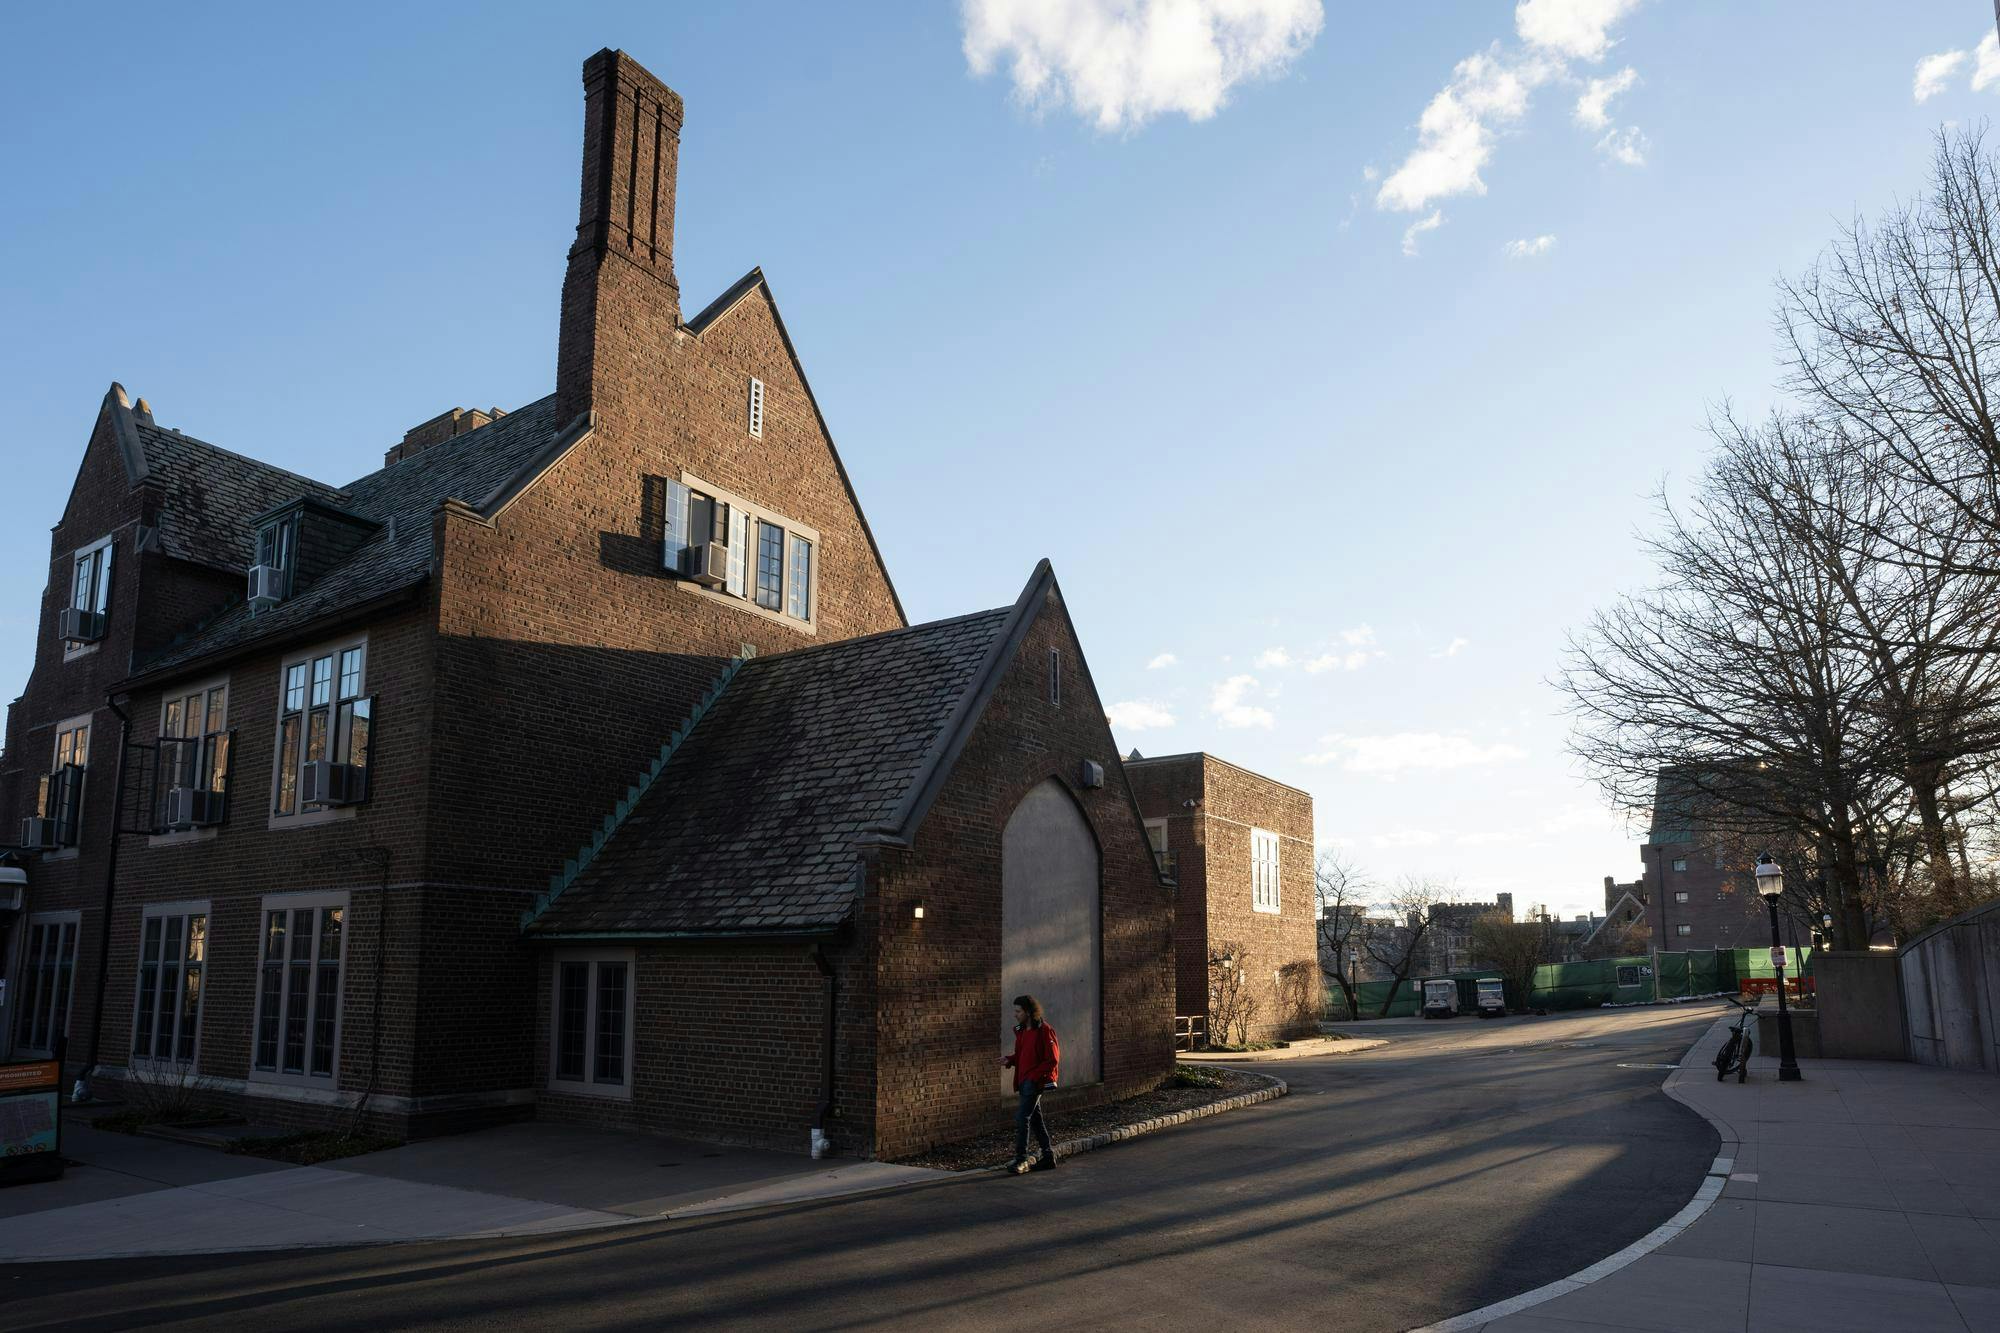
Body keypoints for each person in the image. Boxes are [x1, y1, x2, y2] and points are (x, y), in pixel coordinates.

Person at [1002, 993, 1060, 1174]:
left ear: (1028, 1012)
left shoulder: (1044, 1030)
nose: (1015, 1014)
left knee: (1022, 1117)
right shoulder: (1021, 1031)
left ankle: (1022, 1160)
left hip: (1033, 1082)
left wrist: (1034, 1077)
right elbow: (1022, 1055)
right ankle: (1048, 1157)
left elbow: (1053, 1059)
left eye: (1018, 1011)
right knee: (1036, 1119)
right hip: (1023, 1080)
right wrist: (1010, 1059)